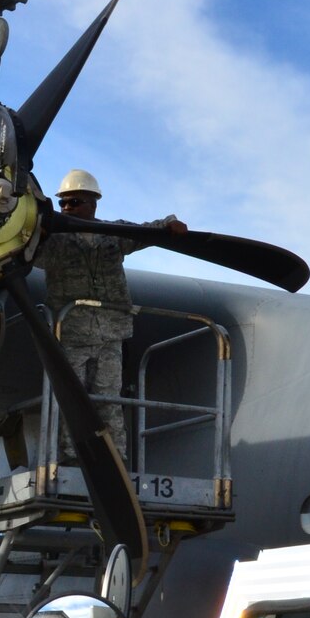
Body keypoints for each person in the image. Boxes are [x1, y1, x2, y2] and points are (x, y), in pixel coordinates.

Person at [41, 169, 185, 462]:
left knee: (109, 400)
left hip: (111, 334)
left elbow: (147, 231)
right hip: (72, 335)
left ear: (93, 203)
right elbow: (25, 252)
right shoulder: (52, 241)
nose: (67, 208)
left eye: (75, 201)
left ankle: (113, 460)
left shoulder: (112, 236)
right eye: (63, 204)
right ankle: (70, 460)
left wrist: (169, 223)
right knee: (71, 401)